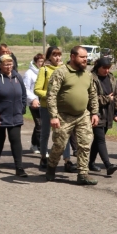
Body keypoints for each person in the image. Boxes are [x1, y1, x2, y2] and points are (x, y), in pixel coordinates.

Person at [45, 45, 99, 185]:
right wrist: (53, 116)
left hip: (82, 115)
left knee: (85, 144)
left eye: (86, 57)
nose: (85, 60)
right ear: (73, 57)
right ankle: (51, 167)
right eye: (82, 57)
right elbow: (51, 95)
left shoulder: (87, 74)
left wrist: (94, 112)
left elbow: (93, 94)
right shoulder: (61, 72)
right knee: (60, 145)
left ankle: (83, 174)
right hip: (63, 116)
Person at [0, 55, 28, 177]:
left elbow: (23, 94)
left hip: (16, 115)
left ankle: (19, 168)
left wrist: (22, 109)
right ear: (0, 65)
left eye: (10, 64)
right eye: (6, 64)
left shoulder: (17, 77)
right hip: (0, 115)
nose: (9, 67)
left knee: (15, 140)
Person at [34, 46, 74, 172]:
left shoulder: (65, 69)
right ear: (49, 57)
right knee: (45, 133)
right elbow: (37, 89)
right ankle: (44, 156)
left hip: (62, 107)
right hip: (47, 107)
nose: (58, 57)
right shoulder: (44, 70)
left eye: (59, 55)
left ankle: (67, 160)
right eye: (55, 55)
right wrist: (50, 95)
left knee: (64, 133)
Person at [89, 57, 117, 176]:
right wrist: (107, 98)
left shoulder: (111, 78)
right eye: (104, 68)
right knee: (101, 139)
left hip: (108, 113)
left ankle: (91, 163)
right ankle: (108, 165)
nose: (106, 71)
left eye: (108, 68)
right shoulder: (91, 78)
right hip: (96, 113)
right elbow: (91, 98)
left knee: (97, 141)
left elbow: (116, 96)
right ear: (98, 67)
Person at [23, 53, 44, 154]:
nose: (42, 63)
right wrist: (33, 99)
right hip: (34, 102)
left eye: (43, 61)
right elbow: (25, 88)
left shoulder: (44, 71)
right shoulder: (29, 73)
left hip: (43, 101)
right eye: (40, 61)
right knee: (39, 124)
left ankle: (34, 144)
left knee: (41, 125)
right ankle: (40, 147)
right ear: (36, 62)